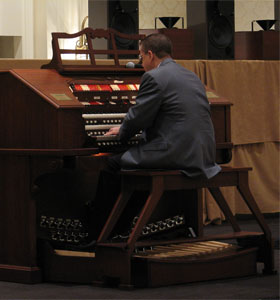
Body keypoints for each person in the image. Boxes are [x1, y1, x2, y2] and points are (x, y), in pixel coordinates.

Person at [86, 33, 221, 240]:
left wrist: (122, 132)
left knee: (112, 165)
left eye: (140, 56)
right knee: (134, 166)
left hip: (175, 152)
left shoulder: (153, 77)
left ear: (150, 55)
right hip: (201, 152)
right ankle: (124, 230)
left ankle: (99, 234)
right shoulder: (191, 75)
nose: (141, 62)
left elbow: (139, 117)